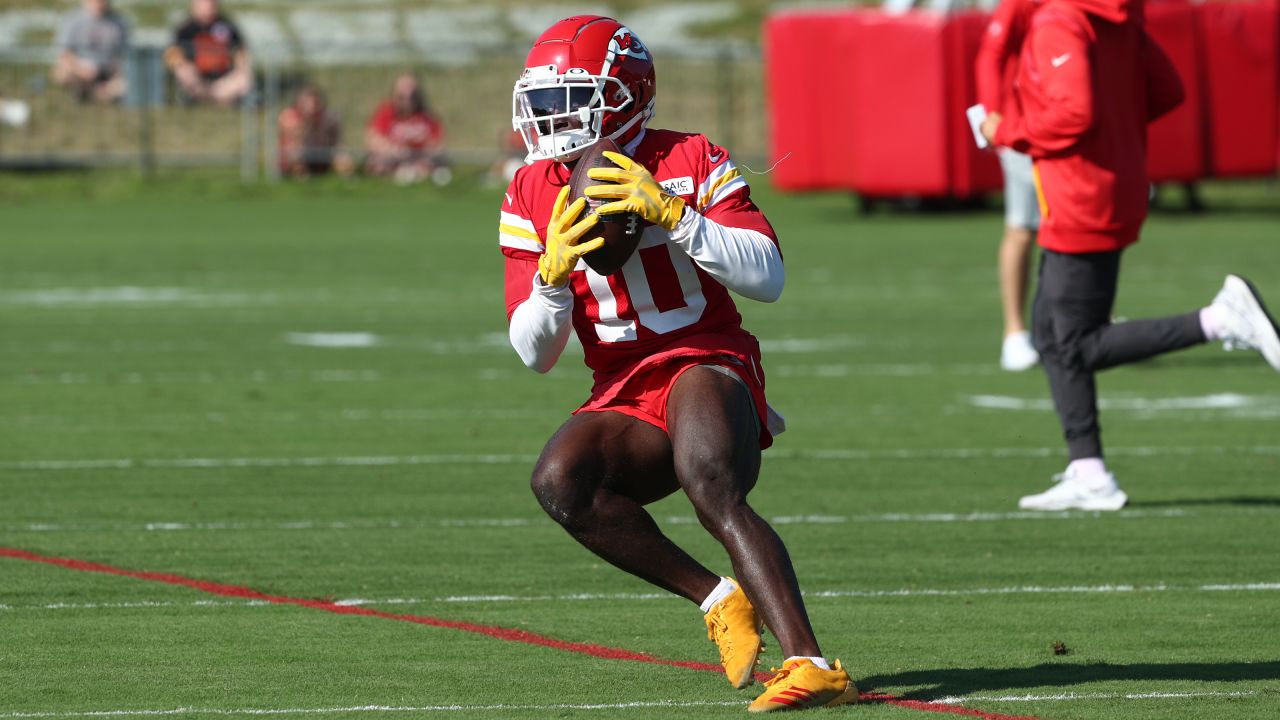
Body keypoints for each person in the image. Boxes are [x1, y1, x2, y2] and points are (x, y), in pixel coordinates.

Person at [500, 16, 857, 712]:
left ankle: (811, 663)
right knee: (560, 482)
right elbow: (534, 353)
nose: (550, 117)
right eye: (542, 101)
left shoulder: (688, 157)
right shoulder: (528, 190)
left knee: (711, 481)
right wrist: (549, 279)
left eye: (569, 97)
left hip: (705, 354)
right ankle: (718, 599)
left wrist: (675, 215)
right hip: (623, 386)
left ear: (626, 95)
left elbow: (769, 276)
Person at [981, 0, 1280, 510]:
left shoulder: (1062, 20)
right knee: (1051, 333)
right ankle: (1089, 470)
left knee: (1076, 343)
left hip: (1078, 197)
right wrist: (1117, 130)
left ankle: (1218, 320)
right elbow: (1167, 89)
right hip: (1111, 185)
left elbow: (1075, 112)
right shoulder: (1118, 18)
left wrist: (1006, 130)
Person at [975, 0, 1041, 371]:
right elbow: (992, 50)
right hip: (1026, 125)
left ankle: (1089, 318)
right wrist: (993, 111)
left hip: (1075, 127)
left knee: (1085, 229)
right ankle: (1014, 332)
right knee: (1023, 226)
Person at [364, 74, 450, 185]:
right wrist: (396, 151)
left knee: (437, 161)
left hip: (419, 159)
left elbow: (437, 144)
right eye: (401, 96)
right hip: (393, 158)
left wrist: (420, 155)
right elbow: (374, 139)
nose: (407, 98)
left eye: (411, 95)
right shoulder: (385, 113)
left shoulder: (426, 117)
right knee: (377, 163)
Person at [164, 0, 253, 107]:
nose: (209, 6)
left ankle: (213, 98)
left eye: (212, 3)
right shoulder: (185, 29)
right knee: (183, 72)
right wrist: (182, 64)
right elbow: (171, 54)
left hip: (223, 80)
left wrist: (242, 65)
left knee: (244, 76)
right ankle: (209, 98)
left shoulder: (228, 26)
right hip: (198, 79)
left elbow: (241, 50)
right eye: (204, 3)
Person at [51, 0, 129, 104]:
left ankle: (95, 93)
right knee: (62, 73)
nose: (98, 4)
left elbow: (125, 55)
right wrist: (80, 69)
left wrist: (116, 70)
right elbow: (64, 54)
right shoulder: (71, 19)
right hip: (81, 70)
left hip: (108, 71)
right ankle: (95, 93)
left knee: (129, 80)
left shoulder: (119, 22)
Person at [277, 85, 353, 178]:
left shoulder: (327, 117)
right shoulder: (290, 115)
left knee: (343, 157)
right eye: (308, 101)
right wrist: (307, 124)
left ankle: (349, 182)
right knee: (295, 153)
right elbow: (294, 136)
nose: (312, 105)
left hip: (323, 152)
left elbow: (336, 138)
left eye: (315, 101)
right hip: (300, 153)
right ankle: (301, 177)